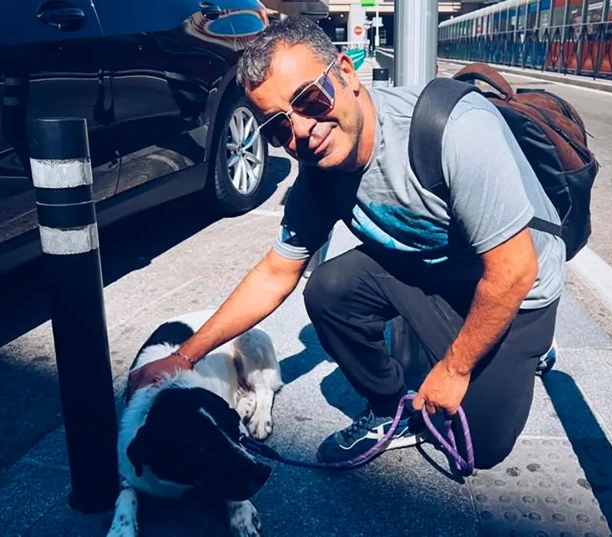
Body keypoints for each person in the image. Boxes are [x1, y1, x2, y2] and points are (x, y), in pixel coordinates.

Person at [128, 16, 563, 469]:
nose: (301, 131)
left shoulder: (453, 128)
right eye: (278, 127)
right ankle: (387, 407)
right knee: (328, 288)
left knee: (483, 444)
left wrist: (455, 369)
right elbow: (277, 273)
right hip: (432, 268)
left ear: (346, 74)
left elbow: (513, 269)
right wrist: (184, 357)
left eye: (309, 99)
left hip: (516, 285)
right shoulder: (318, 171)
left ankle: (529, 348)